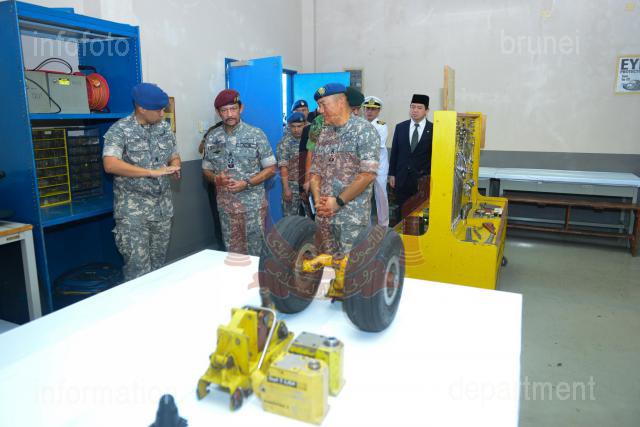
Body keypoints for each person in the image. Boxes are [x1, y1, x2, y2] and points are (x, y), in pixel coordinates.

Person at [103, 82, 181, 281]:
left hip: (162, 211)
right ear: (142, 108)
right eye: (158, 110)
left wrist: (175, 166)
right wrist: (150, 172)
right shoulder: (120, 130)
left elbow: (174, 155)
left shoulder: (164, 128)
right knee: (138, 273)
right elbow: (110, 164)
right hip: (134, 216)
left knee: (158, 269)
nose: (163, 114)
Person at [201, 89, 276, 256]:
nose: (229, 114)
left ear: (241, 108)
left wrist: (247, 183)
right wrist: (216, 179)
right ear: (218, 112)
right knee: (232, 255)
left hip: (252, 207)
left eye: (233, 109)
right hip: (227, 208)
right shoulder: (212, 137)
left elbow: (271, 169)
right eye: (224, 110)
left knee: (255, 254)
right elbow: (206, 169)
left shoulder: (256, 134)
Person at [309, 83, 380, 255]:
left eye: (323, 104)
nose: (319, 110)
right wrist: (318, 202)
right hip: (324, 218)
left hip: (351, 220)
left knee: (350, 267)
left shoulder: (364, 130)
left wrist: (338, 202)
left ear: (340, 102)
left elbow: (368, 174)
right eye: (318, 106)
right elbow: (315, 173)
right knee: (323, 265)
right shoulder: (325, 132)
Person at [388, 94, 433, 221]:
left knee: (419, 213)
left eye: (419, 108)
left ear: (427, 111)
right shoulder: (400, 127)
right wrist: (392, 174)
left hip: (422, 180)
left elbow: (434, 156)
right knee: (401, 211)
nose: (415, 110)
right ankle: (400, 232)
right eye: (413, 107)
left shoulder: (433, 129)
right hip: (402, 178)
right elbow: (395, 152)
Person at [198, 121, 225, 250]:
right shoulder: (213, 131)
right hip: (215, 184)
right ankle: (222, 249)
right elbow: (201, 149)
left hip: (236, 185)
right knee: (219, 218)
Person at [363, 96, 390, 226]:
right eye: (367, 108)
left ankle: (383, 225)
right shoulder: (360, 124)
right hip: (363, 167)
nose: (370, 111)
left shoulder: (382, 125)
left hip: (379, 167)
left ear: (378, 111)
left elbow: (376, 145)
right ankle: (366, 225)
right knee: (364, 197)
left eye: (373, 109)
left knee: (381, 197)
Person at [277, 112, 306, 216]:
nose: (296, 130)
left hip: (309, 185)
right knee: (290, 219)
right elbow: (283, 167)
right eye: (293, 126)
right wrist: (286, 189)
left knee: (311, 218)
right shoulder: (285, 142)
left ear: (305, 125)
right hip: (293, 185)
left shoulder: (311, 140)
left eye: (299, 126)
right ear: (289, 126)